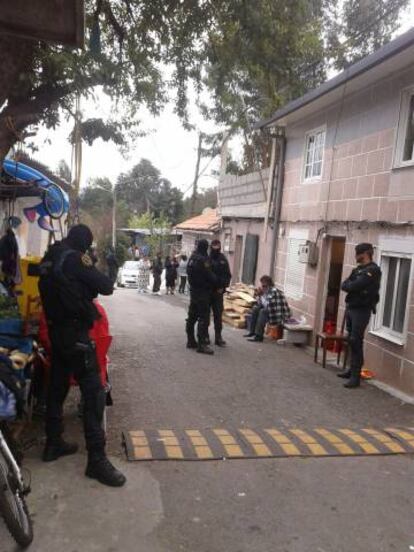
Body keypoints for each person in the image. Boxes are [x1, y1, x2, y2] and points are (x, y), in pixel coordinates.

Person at [38, 224, 126, 487]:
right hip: (75, 334)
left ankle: (53, 443)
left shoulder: (51, 255)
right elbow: (106, 286)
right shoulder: (75, 259)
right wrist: (105, 266)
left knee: (57, 386)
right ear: (84, 245)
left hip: (56, 332)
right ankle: (96, 461)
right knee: (94, 393)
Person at [338, 243, 381, 389]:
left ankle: (355, 377)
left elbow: (354, 286)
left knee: (356, 341)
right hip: (352, 307)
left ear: (366, 254)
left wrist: (352, 285)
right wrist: (352, 285)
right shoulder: (358, 269)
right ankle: (351, 370)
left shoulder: (373, 270)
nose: (355, 256)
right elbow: (344, 285)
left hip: (362, 310)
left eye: (358, 253)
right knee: (351, 340)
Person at [186, 239, 217, 355]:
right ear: (205, 247)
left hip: (193, 291)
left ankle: (190, 340)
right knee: (203, 318)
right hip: (203, 292)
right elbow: (209, 275)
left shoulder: (192, 257)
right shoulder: (203, 260)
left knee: (192, 317)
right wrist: (216, 280)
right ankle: (202, 344)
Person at [244, 275, 291, 343]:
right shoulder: (265, 291)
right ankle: (252, 332)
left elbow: (269, 305)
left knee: (262, 312)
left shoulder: (274, 291)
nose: (263, 287)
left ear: (269, 285)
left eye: (264, 286)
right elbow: (261, 304)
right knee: (255, 309)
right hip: (270, 310)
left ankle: (259, 336)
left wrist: (262, 295)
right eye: (262, 285)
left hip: (277, 313)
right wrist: (259, 296)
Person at [209, 240, 232, 346]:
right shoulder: (206, 258)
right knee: (204, 316)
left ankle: (218, 337)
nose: (216, 247)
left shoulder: (222, 259)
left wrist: (222, 287)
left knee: (218, 316)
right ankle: (204, 336)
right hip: (207, 291)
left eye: (217, 245)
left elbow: (227, 275)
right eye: (214, 245)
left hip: (218, 292)